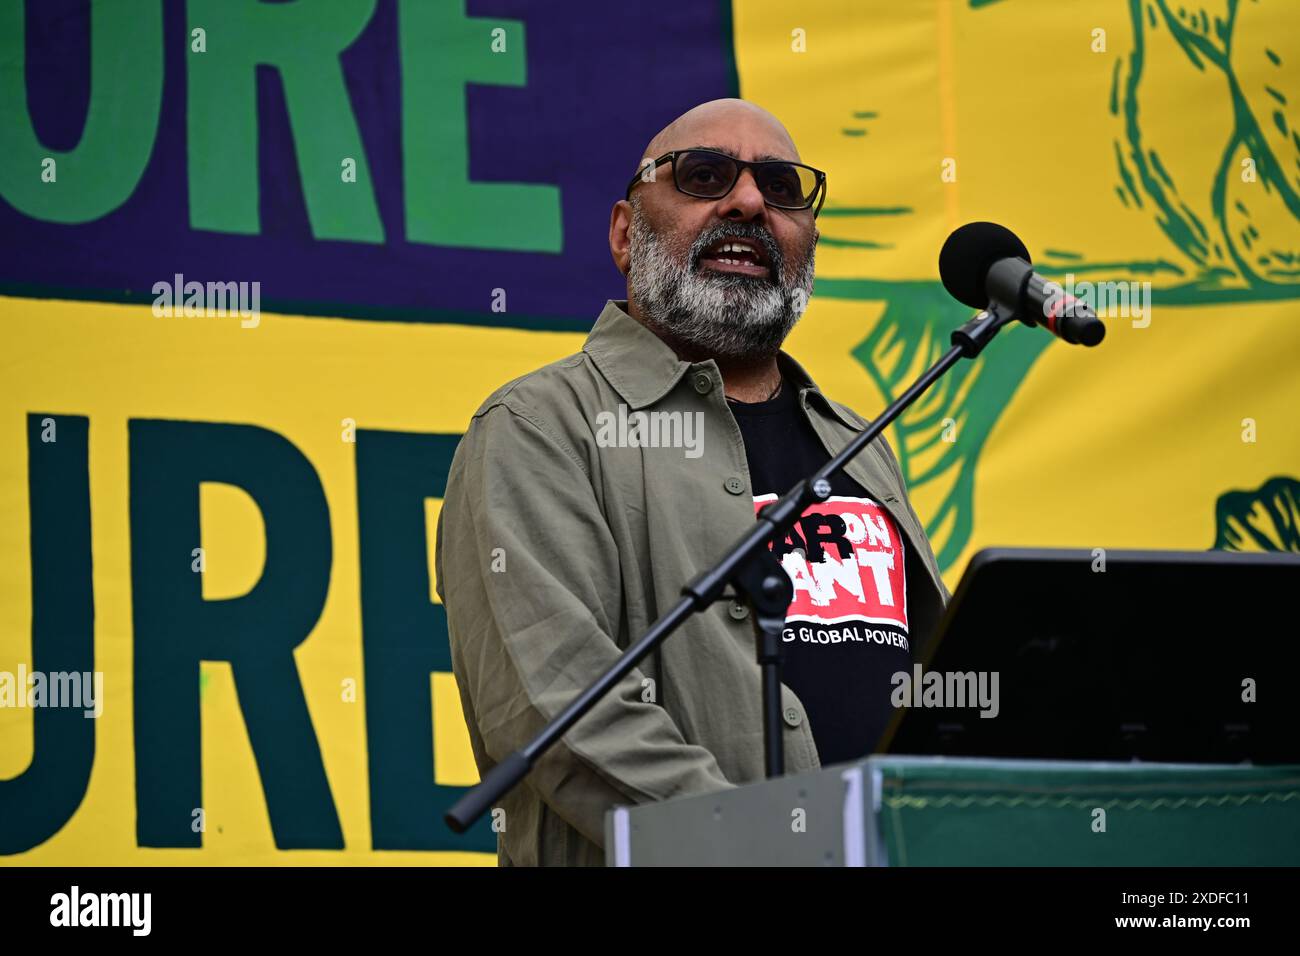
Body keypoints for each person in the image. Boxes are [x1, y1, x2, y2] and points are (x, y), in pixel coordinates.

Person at [435, 99, 949, 866]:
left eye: (780, 188)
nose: (747, 202)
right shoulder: (538, 425)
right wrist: (785, 852)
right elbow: (566, 715)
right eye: (703, 176)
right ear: (623, 233)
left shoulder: (858, 442)